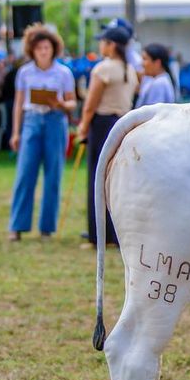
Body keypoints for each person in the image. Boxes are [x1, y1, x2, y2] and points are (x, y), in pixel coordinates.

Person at [8, 24, 77, 242]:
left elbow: (73, 101)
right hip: (32, 120)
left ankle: (47, 227)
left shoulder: (64, 73)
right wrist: (15, 132)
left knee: (53, 175)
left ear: (53, 49)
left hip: (55, 121)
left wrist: (62, 104)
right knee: (25, 174)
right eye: (39, 48)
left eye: (47, 48)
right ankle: (17, 226)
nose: (43, 52)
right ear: (32, 50)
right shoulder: (25, 72)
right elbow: (19, 103)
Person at [76, 25, 138, 247]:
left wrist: (83, 126)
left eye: (103, 41)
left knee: (98, 179)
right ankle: (116, 234)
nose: (100, 45)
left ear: (111, 45)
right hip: (122, 124)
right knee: (118, 181)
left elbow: (90, 104)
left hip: (102, 124)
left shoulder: (102, 69)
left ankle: (98, 236)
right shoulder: (130, 70)